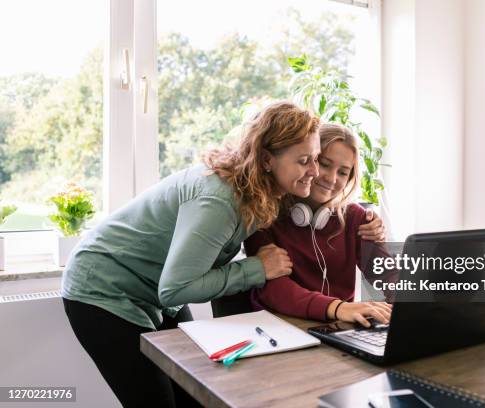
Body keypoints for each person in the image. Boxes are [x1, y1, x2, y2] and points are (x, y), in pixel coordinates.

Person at [61, 101, 322, 408]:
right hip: (104, 289)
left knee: (198, 396)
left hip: (153, 295)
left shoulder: (259, 188)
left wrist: (367, 225)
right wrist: (255, 269)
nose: (315, 172)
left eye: (316, 159)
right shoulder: (220, 200)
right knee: (157, 403)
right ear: (266, 159)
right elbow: (175, 289)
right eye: (304, 161)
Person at [244, 123, 394, 328]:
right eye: (324, 163)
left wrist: (414, 302)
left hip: (335, 328)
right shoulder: (265, 213)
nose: (331, 178)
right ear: (308, 161)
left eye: (343, 172)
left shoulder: (355, 218)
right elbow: (273, 288)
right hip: (277, 328)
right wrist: (337, 307)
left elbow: (387, 273)